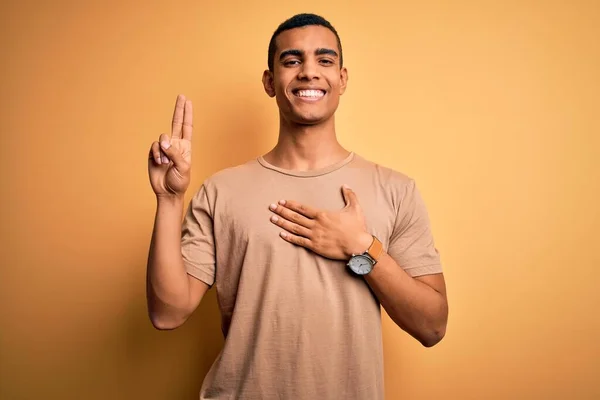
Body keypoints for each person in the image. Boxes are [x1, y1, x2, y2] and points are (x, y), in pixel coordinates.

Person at [146, 13, 448, 400]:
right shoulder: (220, 191)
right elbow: (167, 313)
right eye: (292, 61)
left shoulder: (395, 189)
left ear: (342, 78)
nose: (309, 72)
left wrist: (363, 248)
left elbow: (433, 327)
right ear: (270, 82)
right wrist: (169, 200)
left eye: (324, 60)